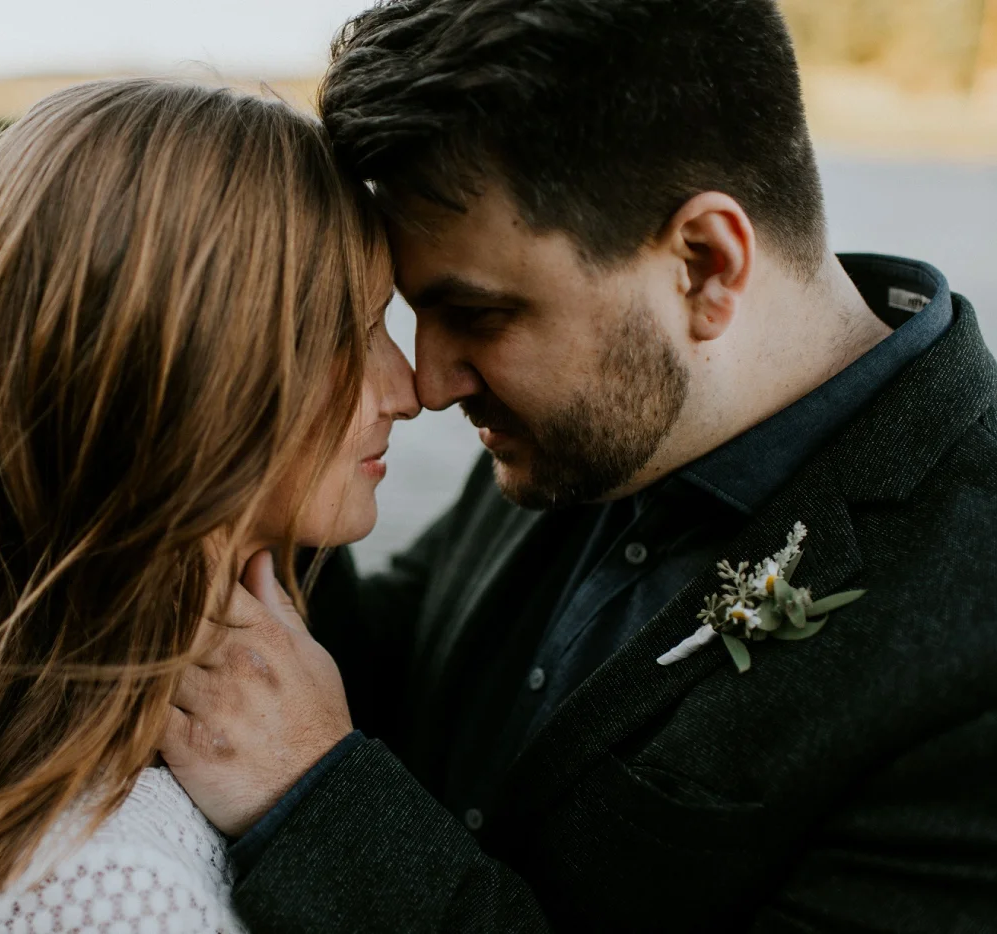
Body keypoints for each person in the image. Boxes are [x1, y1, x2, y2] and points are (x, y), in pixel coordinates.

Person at [159, 1, 997, 931]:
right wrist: (229, 460)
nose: (428, 384)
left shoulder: (973, 655)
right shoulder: (583, 420)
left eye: (478, 315)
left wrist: (315, 799)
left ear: (705, 265)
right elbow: (417, 660)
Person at [0, 78, 418, 933]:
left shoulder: (181, 762)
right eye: (352, 332)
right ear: (189, 378)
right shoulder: (110, 896)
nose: (407, 388)